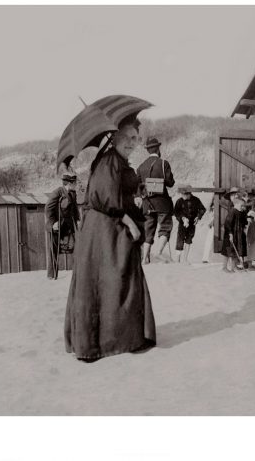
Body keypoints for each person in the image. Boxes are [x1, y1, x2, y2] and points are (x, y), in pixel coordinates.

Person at [64, 114, 156, 362]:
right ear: (114, 136)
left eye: (135, 138)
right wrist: (131, 224)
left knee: (117, 281)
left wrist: (136, 194)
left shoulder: (118, 161)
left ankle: (123, 338)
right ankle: (100, 344)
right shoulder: (109, 162)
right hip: (105, 230)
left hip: (108, 228)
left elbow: (118, 193)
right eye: (126, 137)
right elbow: (104, 198)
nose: (131, 142)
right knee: (111, 280)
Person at [137, 137, 175, 264]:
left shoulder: (141, 166)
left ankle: (144, 258)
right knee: (165, 226)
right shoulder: (163, 163)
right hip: (162, 202)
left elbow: (137, 187)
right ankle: (158, 252)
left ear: (148, 150)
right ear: (158, 149)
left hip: (147, 203)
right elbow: (170, 183)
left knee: (148, 229)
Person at [45, 173, 80, 279]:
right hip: (57, 225)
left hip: (69, 224)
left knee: (78, 246)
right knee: (54, 249)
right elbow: (48, 208)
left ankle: (78, 273)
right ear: (70, 183)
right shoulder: (57, 192)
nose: (76, 184)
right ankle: (52, 275)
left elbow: (74, 208)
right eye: (75, 183)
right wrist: (52, 223)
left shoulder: (73, 193)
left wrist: (78, 220)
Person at [174, 185, 206, 264]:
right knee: (180, 240)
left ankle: (185, 259)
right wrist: (183, 218)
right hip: (182, 224)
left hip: (192, 224)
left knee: (189, 239)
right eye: (182, 194)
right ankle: (177, 260)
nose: (182, 195)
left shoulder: (196, 200)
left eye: (184, 194)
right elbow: (176, 212)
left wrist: (198, 217)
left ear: (189, 194)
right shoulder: (179, 201)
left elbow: (202, 209)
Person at [221, 190, 248, 273]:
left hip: (238, 235)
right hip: (230, 234)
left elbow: (243, 222)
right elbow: (227, 224)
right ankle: (224, 267)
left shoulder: (240, 212)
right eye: (241, 205)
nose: (242, 207)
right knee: (227, 252)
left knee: (234, 252)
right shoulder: (232, 211)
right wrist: (230, 234)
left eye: (243, 206)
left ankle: (233, 268)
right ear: (236, 204)